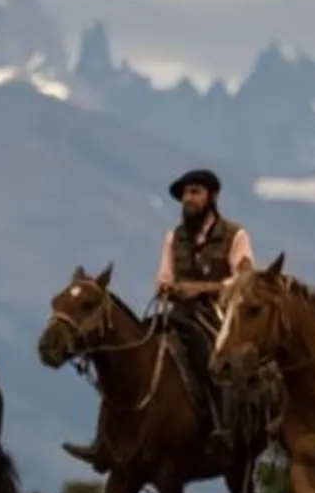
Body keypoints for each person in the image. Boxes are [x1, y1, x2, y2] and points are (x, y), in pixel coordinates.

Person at [63, 167, 254, 471]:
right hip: (178, 312)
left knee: (213, 358)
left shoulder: (235, 235)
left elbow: (245, 279)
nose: (188, 199)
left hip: (217, 314)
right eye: (185, 194)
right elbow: (164, 276)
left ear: (212, 196)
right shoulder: (173, 237)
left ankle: (223, 429)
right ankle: (104, 441)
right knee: (125, 357)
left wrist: (203, 288)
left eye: (195, 192)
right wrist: (168, 286)